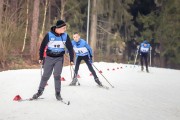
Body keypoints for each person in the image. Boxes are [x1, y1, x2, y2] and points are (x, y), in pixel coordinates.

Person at [32, 20, 74, 100]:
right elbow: (42, 46)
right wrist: (41, 57)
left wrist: (71, 59)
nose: (65, 30)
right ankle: (39, 92)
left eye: (65, 28)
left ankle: (58, 94)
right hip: (49, 58)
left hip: (59, 58)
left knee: (57, 75)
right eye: (63, 28)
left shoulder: (65, 36)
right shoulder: (49, 35)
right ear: (58, 28)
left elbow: (70, 48)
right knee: (45, 76)